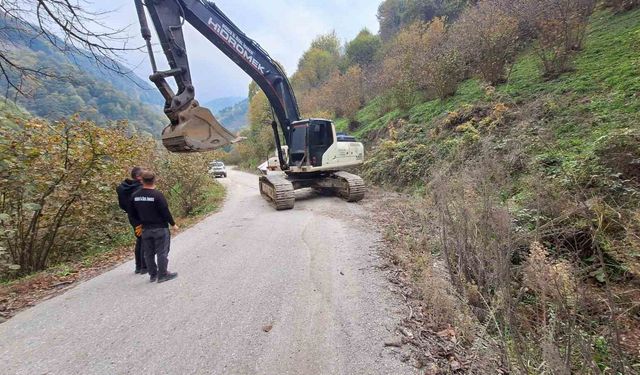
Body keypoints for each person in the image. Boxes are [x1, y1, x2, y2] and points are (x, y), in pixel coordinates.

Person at [130, 170, 179, 283]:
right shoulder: (157, 195)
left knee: (148, 253)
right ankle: (162, 275)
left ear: (142, 180)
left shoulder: (135, 196)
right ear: (154, 180)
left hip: (145, 229)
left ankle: (153, 275)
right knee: (162, 252)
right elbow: (165, 212)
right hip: (160, 228)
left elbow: (132, 214)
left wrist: (138, 224)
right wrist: (173, 224)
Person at [116, 166, 147, 275]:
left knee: (140, 239)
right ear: (138, 177)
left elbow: (121, 205)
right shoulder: (139, 188)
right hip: (141, 216)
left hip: (132, 217)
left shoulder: (123, 188)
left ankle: (138, 266)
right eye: (144, 174)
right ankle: (144, 267)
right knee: (144, 239)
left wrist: (130, 211)